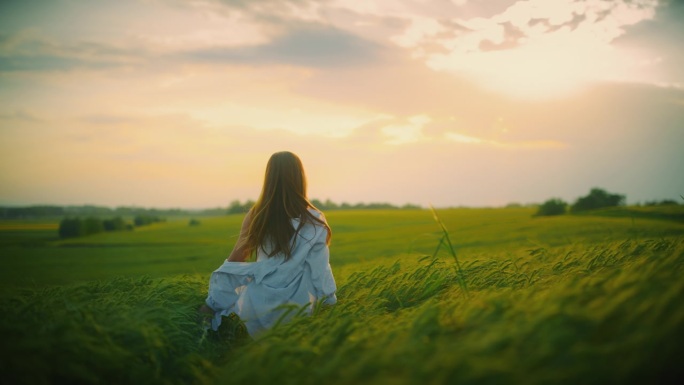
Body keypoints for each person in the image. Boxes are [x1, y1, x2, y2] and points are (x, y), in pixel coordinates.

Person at [200, 151, 337, 337]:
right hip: (298, 308)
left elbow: (236, 260)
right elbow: (320, 271)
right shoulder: (314, 221)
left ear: (269, 178)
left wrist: (211, 304)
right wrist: (331, 305)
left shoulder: (257, 215)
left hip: (257, 308)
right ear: (300, 177)